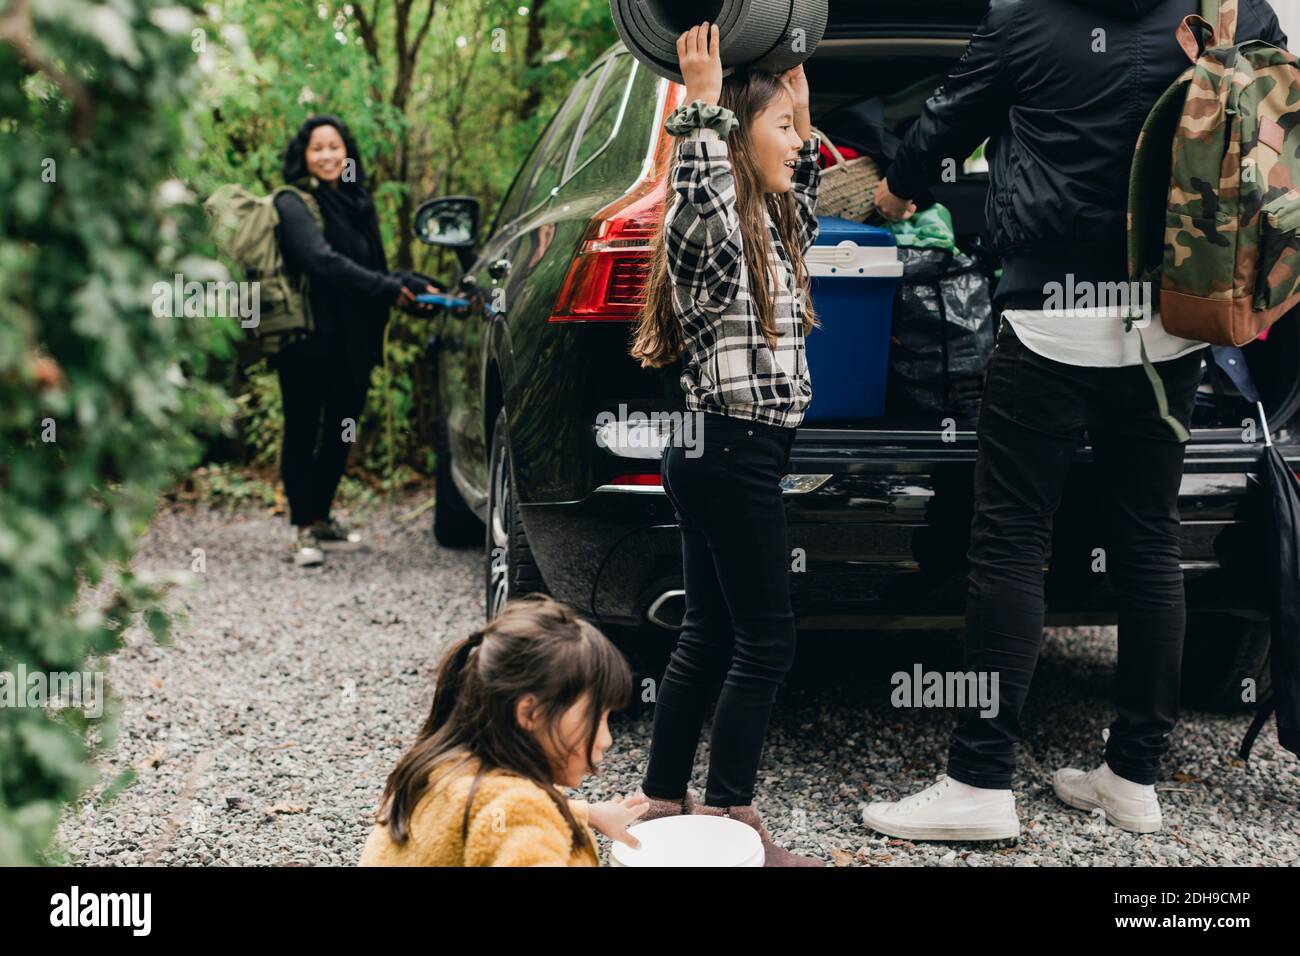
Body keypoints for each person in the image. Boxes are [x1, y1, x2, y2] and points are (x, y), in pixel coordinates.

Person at [865, 0, 1287, 840]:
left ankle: (981, 781)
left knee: (1012, 542)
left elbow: (945, 124)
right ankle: (1133, 776)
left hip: (1049, 319)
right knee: (1150, 542)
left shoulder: (1023, 20)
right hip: (1173, 321)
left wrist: (894, 190)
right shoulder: (1225, 12)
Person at [628, 23, 824, 866]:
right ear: (736, 140)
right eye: (778, 127)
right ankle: (734, 814)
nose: (796, 143)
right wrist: (701, 105)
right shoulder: (711, 236)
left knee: (708, 632)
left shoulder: (775, 224)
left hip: (729, 454)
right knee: (767, 639)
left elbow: (809, 188)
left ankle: (661, 795)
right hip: (732, 453)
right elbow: (699, 196)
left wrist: (799, 109)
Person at [358, 594, 648, 866]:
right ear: (530, 713)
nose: (607, 738)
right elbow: (519, 814)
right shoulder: (520, 814)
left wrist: (592, 814)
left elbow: (503, 811)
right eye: (595, 718)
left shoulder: (444, 765)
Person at [272, 114, 439, 567]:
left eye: (335, 146)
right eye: (317, 148)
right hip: (307, 342)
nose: (328, 155)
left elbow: (374, 271)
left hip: (353, 342)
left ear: (347, 153)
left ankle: (322, 516)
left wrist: (414, 288)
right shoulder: (295, 203)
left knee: (341, 432)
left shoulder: (357, 202)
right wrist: (387, 288)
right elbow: (321, 261)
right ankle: (302, 528)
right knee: (303, 430)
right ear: (304, 156)